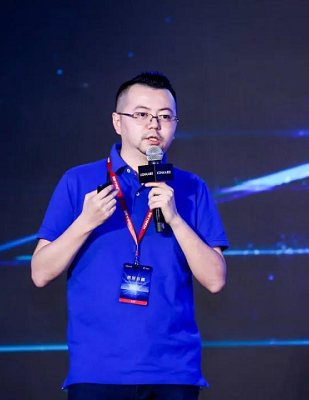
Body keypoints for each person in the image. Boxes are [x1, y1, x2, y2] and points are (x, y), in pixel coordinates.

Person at [31, 71, 228, 400]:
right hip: (97, 372)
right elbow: (40, 273)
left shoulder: (192, 188)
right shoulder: (78, 182)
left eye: (165, 116)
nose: (154, 125)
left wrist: (176, 219)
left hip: (173, 373)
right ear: (117, 122)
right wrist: (85, 222)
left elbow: (215, 279)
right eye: (141, 114)